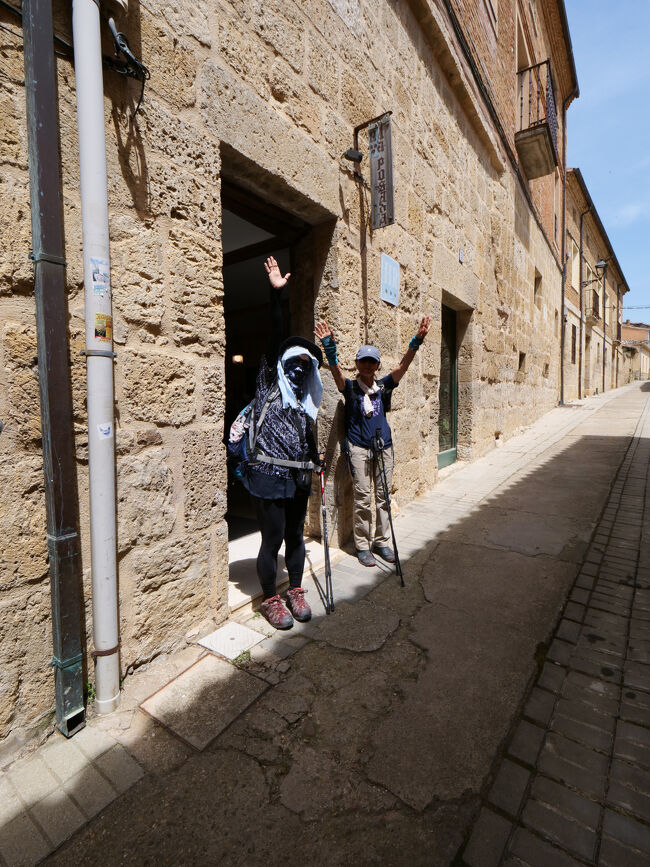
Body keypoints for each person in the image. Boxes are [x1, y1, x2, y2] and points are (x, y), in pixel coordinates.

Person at [232, 257, 324, 629]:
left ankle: (295, 590)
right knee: (272, 539)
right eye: (294, 360)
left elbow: (307, 437)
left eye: (307, 363)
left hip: (298, 476)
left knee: (295, 536)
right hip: (267, 475)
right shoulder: (271, 381)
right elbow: (274, 337)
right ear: (283, 362)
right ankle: (270, 598)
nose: (300, 367)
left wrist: (316, 460)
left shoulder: (305, 401)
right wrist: (275, 297)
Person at [314, 315, 431, 567]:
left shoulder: (383, 387)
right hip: (359, 449)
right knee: (363, 497)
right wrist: (329, 349)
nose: (367, 365)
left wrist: (416, 341)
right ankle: (362, 545)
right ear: (357, 364)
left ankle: (382, 541)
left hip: (383, 448)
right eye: (363, 361)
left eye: (372, 361)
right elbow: (336, 375)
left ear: (377, 365)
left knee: (383, 497)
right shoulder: (351, 388)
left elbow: (403, 367)